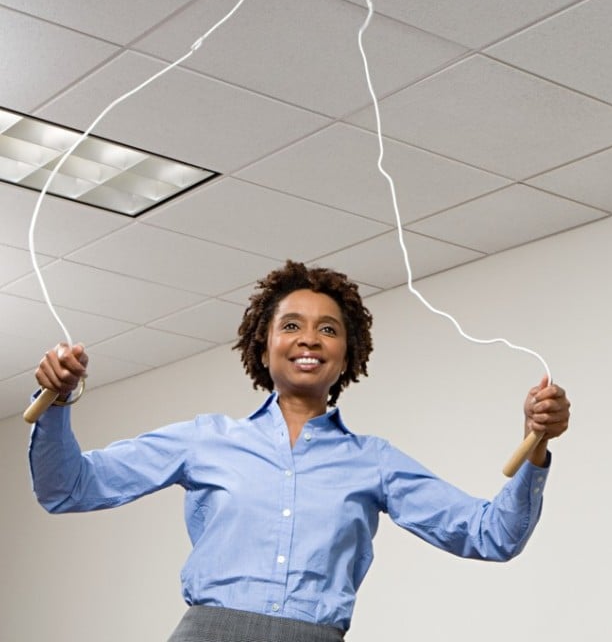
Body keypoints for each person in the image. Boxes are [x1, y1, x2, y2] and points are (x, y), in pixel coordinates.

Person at [28, 260, 570, 642]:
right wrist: (57, 401)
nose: (309, 338)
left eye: (327, 330)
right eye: (291, 326)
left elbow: (491, 535)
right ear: (263, 347)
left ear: (346, 356)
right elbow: (67, 488)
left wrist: (536, 444)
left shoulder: (374, 462)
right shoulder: (206, 440)